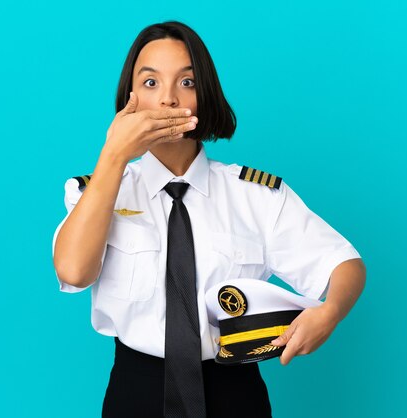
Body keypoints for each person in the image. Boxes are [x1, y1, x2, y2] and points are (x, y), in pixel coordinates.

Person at [52, 20, 366, 418]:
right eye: (150, 83)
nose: (168, 99)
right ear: (129, 98)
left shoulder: (255, 194)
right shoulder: (97, 192)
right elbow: (74, 272)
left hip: (234, 391)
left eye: (186, 82)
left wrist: (330, 312)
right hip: (136, 391)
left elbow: (344, 264)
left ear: (206, 93)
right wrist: (114, 154)